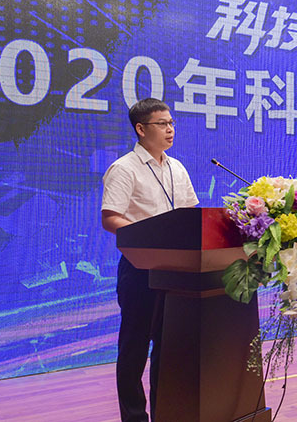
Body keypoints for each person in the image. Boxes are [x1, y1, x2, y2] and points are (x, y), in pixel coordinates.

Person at [101, 98, 199, 422]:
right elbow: (110, 218)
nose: (170, 129)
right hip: (139, 269)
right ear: (141, 129)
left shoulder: (177, 168)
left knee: (168, 349)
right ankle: (133, 418)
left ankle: (165, 413)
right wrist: (149, 237)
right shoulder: (124, 168)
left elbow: (190, 215)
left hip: (175, 271)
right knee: (134, 348)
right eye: (162, 124)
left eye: (172, 123)